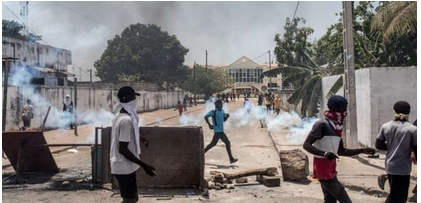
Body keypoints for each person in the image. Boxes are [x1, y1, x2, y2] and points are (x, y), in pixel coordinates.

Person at [303, 95, 375, 203]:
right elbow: (306, 145)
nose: (345, 111)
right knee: (344, 199)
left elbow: (341, 151)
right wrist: (325, 153)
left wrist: (362, 150)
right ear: (336, 109)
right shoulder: (322, 124)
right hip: (322, 168)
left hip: (330, 168)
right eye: (344, 107)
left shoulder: (337, 127)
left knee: (330, 200)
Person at [110, 86, 156, 203]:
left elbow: (127, 134)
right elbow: (123, 149)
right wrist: (144, 165)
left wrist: (140, 138)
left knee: (133, 198)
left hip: (126, 167)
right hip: (123, 167)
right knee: (129, 200)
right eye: (134, 98)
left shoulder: (120, 116)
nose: (136, 101)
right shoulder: (126, 120)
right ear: (130, 99)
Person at [375, 100, 417, 203]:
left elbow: (378, 145)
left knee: (395, 194)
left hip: (390, 165)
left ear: (394, 111)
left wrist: (392, 146)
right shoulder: (412, 129)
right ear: (408, 112)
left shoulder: (386, 126)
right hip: (402, 168)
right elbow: (417, 149)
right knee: (399, 197)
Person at [204, 99, 238, 164]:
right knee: (227, 143)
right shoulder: (213, 112)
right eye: (220, 104)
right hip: (218, 131)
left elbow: (223, 120)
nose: (221, 105)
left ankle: (201, 153)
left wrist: (227, 117)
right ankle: (231, 159)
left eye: (221, 104)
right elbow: (205, 117)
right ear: (217, 105)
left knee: (213, 144)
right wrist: (209, 125)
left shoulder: (222, 111)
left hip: (220, 131)